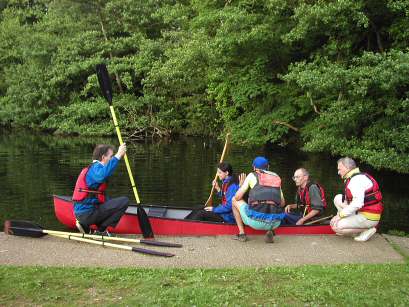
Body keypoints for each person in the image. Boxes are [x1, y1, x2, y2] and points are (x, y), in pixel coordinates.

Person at [73, 143, 129, 236]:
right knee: (124, 201)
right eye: (111, 156)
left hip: (84, 213)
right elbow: (102, 175)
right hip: (87, 214)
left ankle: (87, 227)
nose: (112, 158)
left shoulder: (91, 168)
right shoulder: (96, 168)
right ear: (103, 157)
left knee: (110, 201)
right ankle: (101, 231)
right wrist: (118, 155)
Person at [232, 156, 286, 243]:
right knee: (272, 204)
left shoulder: (251, 175)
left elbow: (237, 197)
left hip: (256, 222)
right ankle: (270, 230)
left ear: (254, 167)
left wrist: (241, 186)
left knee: (234, 200)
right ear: (268, 167)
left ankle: (241, 234)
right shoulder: (276, 177)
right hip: (276, 223)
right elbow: (282, 203)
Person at [330, 157, 383, 242]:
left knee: (337, 226)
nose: (338, 172)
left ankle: (367, 229)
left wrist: (339, 216)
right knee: (338, 198)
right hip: (362, 211)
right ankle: (352, 226)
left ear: (347, 168)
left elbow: (358, 203)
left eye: (340, 169)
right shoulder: (355, 176)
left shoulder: (356, 180)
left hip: (369, 217)